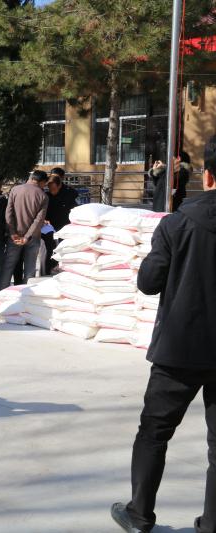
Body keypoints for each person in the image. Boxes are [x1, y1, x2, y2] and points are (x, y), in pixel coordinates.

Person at [110, 136, 216, 533]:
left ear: (207, 176)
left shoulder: (176, 224)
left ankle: (140, 514)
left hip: (179, 350)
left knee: (154, 432)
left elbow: (149, 283)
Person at [0, 170, 49, 290]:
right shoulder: (43, 196)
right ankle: (26, 296)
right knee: (29, 270)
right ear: (42, 181)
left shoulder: (15, 190)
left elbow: (8, 213)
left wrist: (12, 233)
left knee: (7, 267)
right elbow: (38, 220)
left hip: (15, 236)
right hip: (33, 238)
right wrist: (27, 237)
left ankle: (1, 294)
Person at [43, 168, 78, 274]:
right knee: (50, 248)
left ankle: (64, 267)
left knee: (64, 247)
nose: (52, 191)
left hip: (64, 224)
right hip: (49, 226)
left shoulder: (69, 193)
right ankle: (49, 269)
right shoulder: (46, 194)